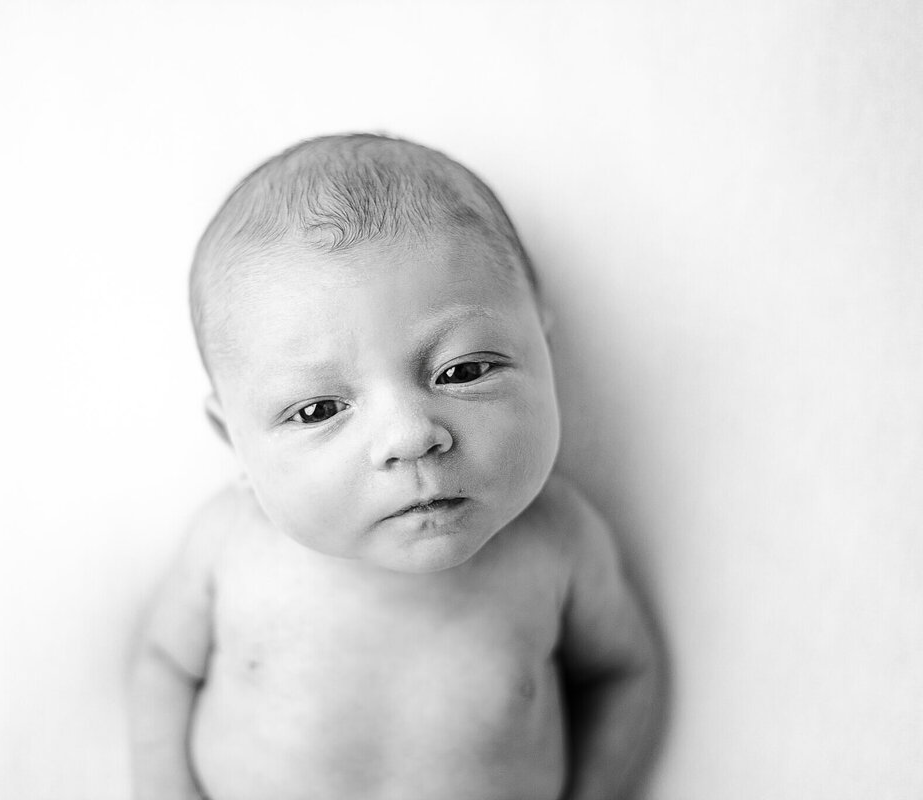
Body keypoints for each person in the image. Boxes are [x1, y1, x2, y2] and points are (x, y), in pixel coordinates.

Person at [128, 133, 663, 800]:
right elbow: (162, 666)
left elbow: (622, 672)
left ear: (544, 354)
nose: (410, 437)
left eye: (463, 371)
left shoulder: (558, 542)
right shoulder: (229, 547)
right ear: (234, 444)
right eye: (319, 409)